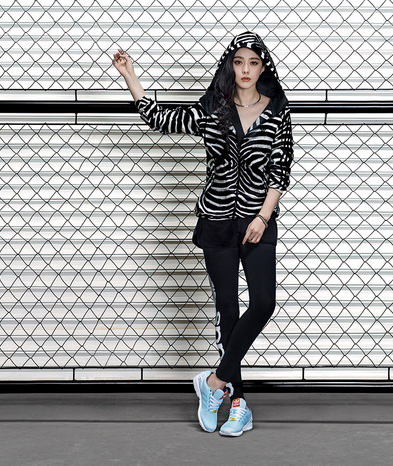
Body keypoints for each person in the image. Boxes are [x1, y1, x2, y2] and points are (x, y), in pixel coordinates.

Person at [112, 31, 294, 437]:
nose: (245, 69)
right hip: (216, 219)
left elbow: (280, 169)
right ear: (230, 66)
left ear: (263, 68)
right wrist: (130, 76)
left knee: (263, 303)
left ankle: (213, 382)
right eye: (239, 62)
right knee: (228, 308)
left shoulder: (277, 111)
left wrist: (263, 217)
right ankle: (237, 403)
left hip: (257, 221)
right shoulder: (213, 108)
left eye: (253, 63)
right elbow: (161, 119)